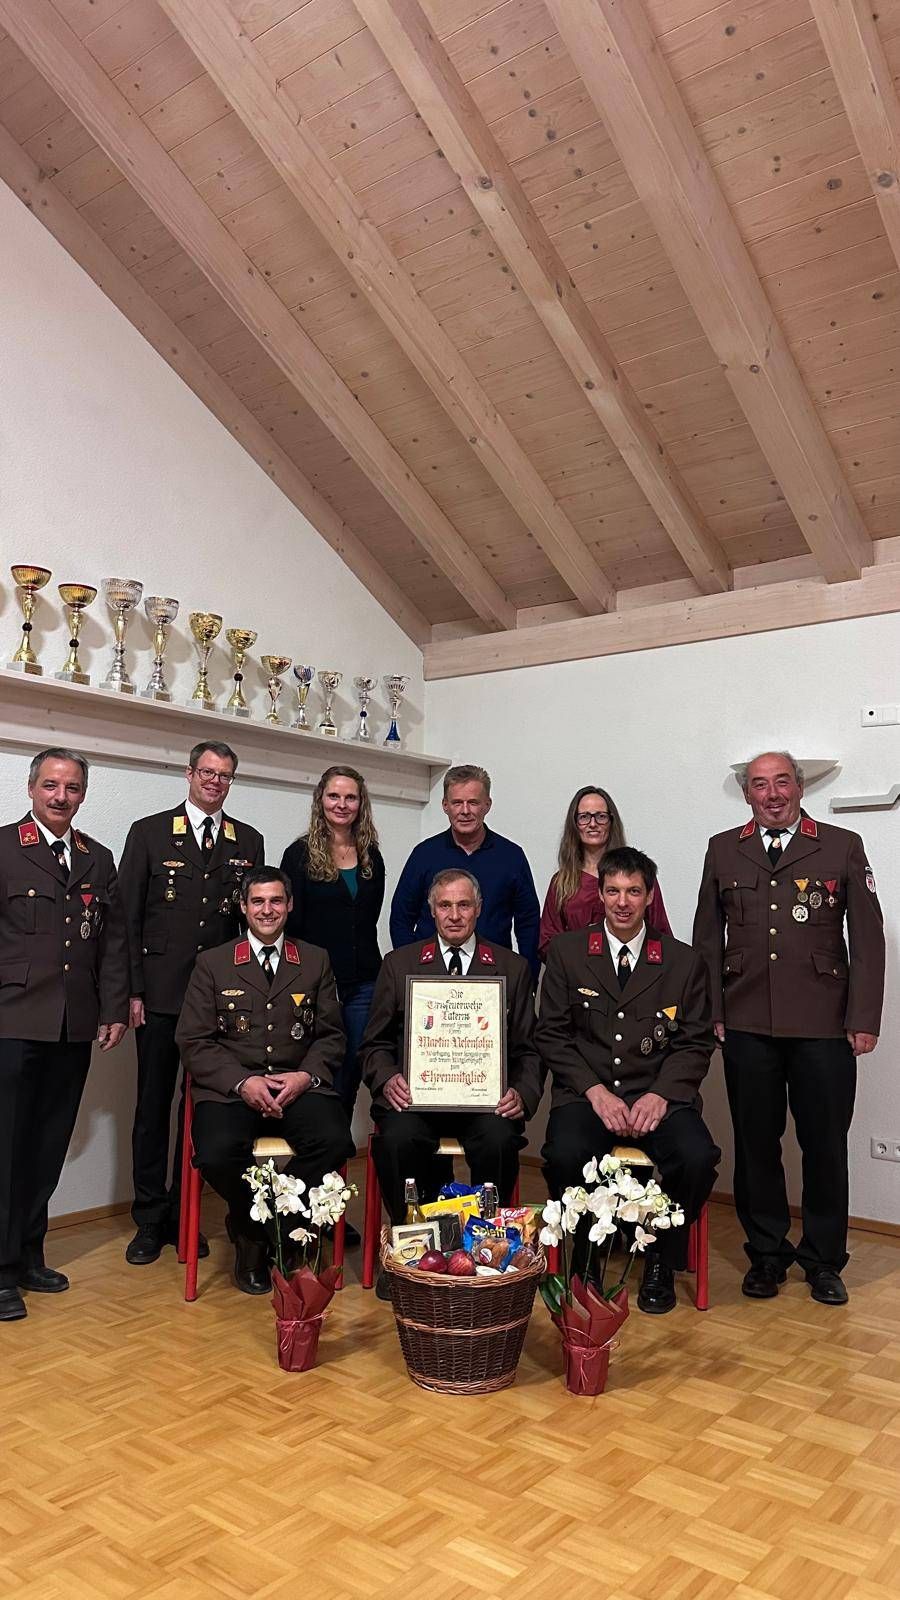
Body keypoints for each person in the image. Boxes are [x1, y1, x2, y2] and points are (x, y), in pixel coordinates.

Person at [693, 750, 884, 1306]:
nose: (772, 794)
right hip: (747, 1019)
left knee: (824, 1145)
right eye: (759, 785)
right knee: (756, 1144)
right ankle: (767, 1254)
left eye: (781, 783)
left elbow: (868, 941)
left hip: (825, 1025)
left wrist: (863, 1018)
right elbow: (708, 939)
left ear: (799, 789)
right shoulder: (724, 849)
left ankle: (824, 1259)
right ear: (747, 794)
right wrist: (714, 1012)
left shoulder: (841, 845)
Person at [537, 847, 719, 1315]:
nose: (623, 902)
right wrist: (595, 1092)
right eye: (613, 890)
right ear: (599, 894)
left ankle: (659, 1253)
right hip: (588, 1092)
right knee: (563, 1153)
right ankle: (588, 1258)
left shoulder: (681, 961)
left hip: (658, 1094)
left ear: (649, 896)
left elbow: (695, 1041)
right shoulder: (567, 952)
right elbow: (552, 1035)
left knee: (697, 1157)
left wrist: (662, 1095)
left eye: (633, 891)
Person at [118, 742, 264, 1266]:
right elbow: (127, 920)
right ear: (189, 774)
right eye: (207, 772)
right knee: (153, 1107)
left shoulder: (247, 840)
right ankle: (150, 1218)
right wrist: (131, 991)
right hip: (158, 995)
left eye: (224, 776)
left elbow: (253, 925)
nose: (215, 782)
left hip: (217, 1004)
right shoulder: (150, 832)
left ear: (232, 781)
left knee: (203, 1108)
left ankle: (186, 1215)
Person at [176, 867, 354, 1294]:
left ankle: (273, 1226)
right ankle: (254, 1235)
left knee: (334, 1140)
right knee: (217, 1151)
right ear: (243, 907)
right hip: (233, 1091)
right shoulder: (213, 962)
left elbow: (332, 1035)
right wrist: (242, 1083)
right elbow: (194, 1040)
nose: (267, 910)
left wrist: (304, 1077)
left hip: (297, 1086)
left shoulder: (314, 959)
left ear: (289, 905)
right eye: (258, 902)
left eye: (276, 901)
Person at [0, 749, 130, 1321]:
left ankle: (29, 1253)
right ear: (31, 789)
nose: (61, 796)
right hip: (13, 1021)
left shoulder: (96, 858)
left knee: (49, 1144)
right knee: (7, 1149)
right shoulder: (4, 849)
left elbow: (113, 942)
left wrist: (113, 1008)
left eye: (72, 788)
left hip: (73, 1024)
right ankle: (1, 1270)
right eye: (50, 785)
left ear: (83, 794)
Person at [362, 869, 544, 1236]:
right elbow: (374, 1043)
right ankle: (407, 1241)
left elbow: (530, 1049)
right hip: (417, 1099)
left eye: (463, 905)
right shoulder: (400, 964)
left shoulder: (512, 967)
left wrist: (522, 1094)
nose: (455, 915)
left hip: (485, 1103)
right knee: (397, 1139)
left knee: (499, 1139)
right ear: (432, 910)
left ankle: (485, 1243)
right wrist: (387, 1078)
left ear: (479, 908)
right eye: (445, 905)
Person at [280, 765, 384, 1122]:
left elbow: (368, 920)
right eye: (334, 796)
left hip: (365, 983)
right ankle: (317, 1154)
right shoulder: (298, 856)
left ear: (361, 803)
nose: (342, 804)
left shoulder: (372, 857)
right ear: (320, 800)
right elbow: (290, 925)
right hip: (317, 983)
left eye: (350, 797)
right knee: (319, 1066)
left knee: (353, 1066)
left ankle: (337, 1157)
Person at [390, 764, 540, 979]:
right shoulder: (424, 855)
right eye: (457, 803)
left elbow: (529, 923)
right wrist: (408, 969)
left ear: (487, 805)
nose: (465, 811)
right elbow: (401, 918)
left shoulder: (512, 857)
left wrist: (527, 979)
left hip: (493, 975)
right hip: (430, 976)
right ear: (445, 805)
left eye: (473, 803)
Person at [539, 786, 673, 961]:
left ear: (611, 822)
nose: (593, 824)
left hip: (632, 973)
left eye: (601, 816)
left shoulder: (637, 873)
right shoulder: (561, 882)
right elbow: (548, 943)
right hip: (578, 974)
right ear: (574, 824)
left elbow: (659, 932)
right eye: (584, 817)